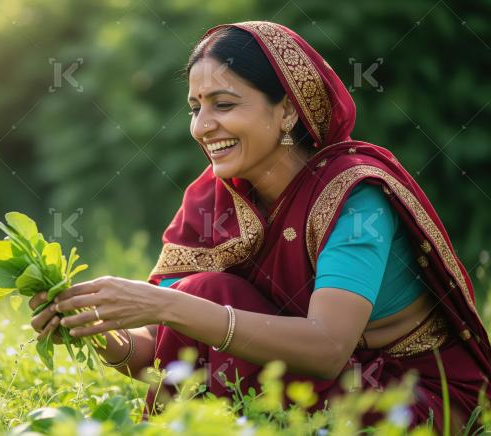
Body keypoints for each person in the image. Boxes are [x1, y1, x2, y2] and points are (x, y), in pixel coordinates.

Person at [28, 21, 491, 432]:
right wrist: (96, 327)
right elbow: (165, 352)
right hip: (312, 386)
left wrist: (168, 304)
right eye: (194, 108)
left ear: (287, 110)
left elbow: (328, 347)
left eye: (223, 104)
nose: (202, 126)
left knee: (208, 295)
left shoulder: (353, 196)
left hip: (408, 400)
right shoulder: (213, 197)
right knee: (207, 293)